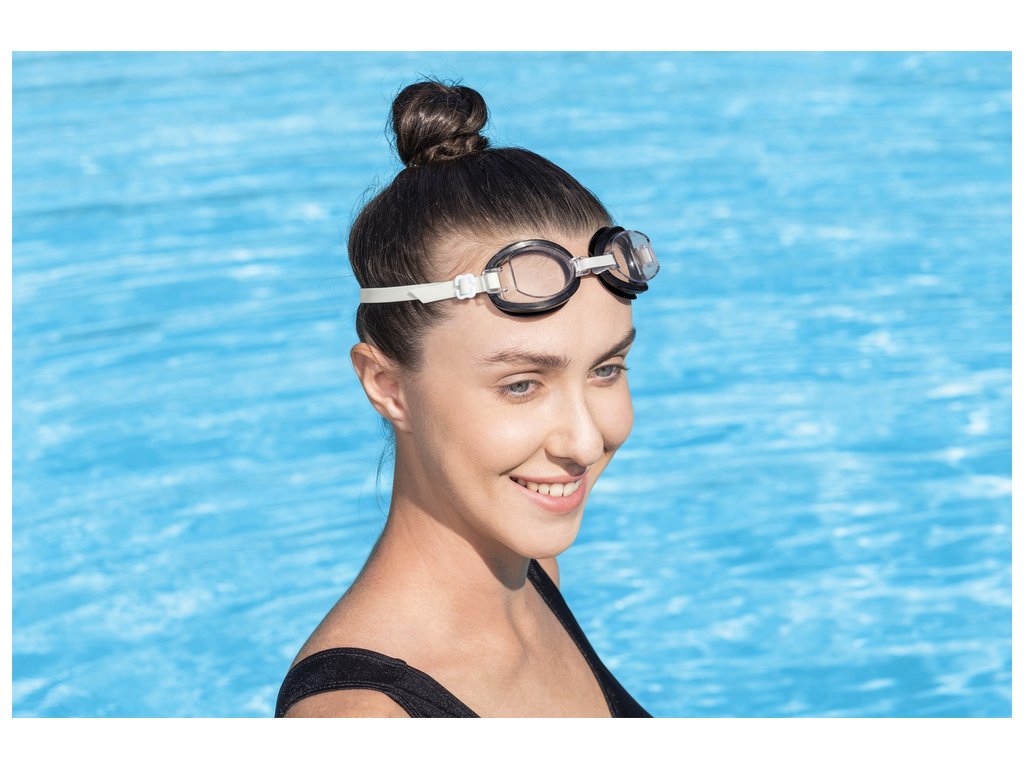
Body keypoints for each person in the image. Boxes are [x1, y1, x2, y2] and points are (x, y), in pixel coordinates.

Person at [276, 80, 656, 718]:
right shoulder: (364, 721)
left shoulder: (532, 573)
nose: (586, 441)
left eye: (606, 369)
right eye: (521, 384)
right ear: (387, 386)